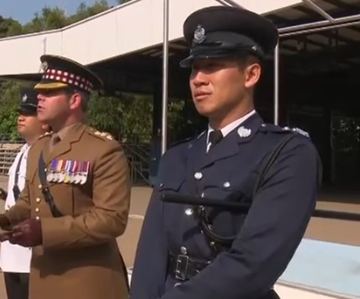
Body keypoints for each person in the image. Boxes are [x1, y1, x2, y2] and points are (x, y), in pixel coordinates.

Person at [130, 6, 320, 299]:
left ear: (251, 74)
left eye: (213, 65)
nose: (198, 78)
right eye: (195, 67)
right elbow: (151, 256)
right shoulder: (178, 156)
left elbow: (254, 264)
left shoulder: (286, 154)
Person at [0, 54, 132, 299]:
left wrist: (44, 232)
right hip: (44, 278)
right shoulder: (39, 149)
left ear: (74, 100)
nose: (39, 97)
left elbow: (112, 219)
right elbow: (28, 203)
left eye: (50, 93)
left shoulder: (103, 149)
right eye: (40, 91)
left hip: (88, 282)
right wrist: (4, 221)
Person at [0, 87, 50, 299]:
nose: (21, 118)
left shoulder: (47, 151)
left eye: (29, 113)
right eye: (21, 113)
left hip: (31, 251)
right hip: (12, 250)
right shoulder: (23, 151)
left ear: (44, 121)